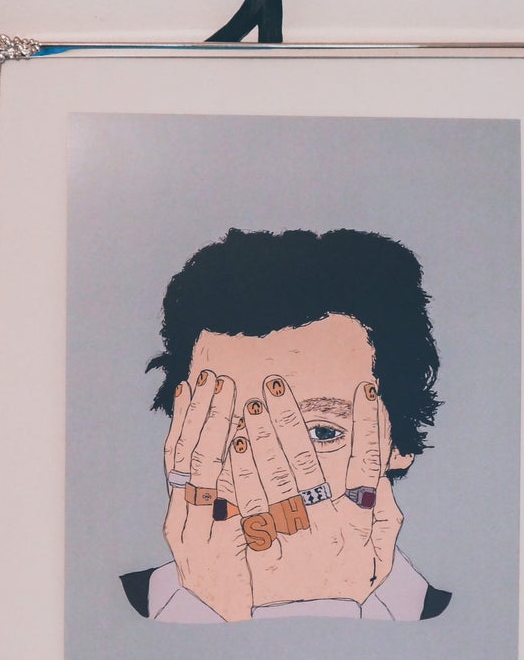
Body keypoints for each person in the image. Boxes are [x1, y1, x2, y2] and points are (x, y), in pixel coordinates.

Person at [120, 228, 451, 623]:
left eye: (322, 432)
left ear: (399, 443)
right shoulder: (112, 611)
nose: (265, 474)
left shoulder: (452, 623)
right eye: (225, 429)